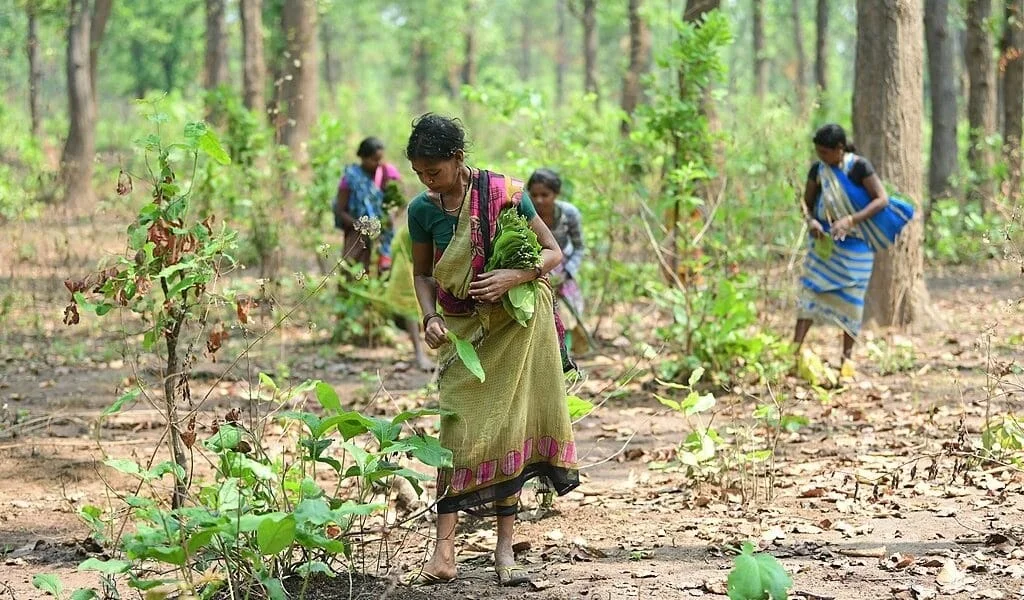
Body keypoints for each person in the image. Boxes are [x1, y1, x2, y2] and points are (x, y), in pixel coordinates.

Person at [403, 114, 579, 587]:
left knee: (511, 429)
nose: (428, 181)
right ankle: (444, 550)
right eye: (419, 173)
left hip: (517, 327)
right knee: (456, 431)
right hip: (462, 330)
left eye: (434, 171)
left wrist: (515, 276)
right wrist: (430, 317)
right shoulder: (422, 210)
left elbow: (551, 253)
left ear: (458, 159)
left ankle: (505, 551)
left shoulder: (505, 195)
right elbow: (423, 274)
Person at [795, 123, 912, 365]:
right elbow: (806, 204)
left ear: (839, 149)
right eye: (818, 153)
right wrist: (811, 222)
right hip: (825, 247)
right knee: (809, 294)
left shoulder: (859, 167)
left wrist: (851, 220)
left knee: (852, 305)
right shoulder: (818, 170)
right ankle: (792, 354)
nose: (822, 158)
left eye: (826, 153)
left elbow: (881, 200)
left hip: (857, 248)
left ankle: (846, 360)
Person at [527, 168, 589, 353]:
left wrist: (566, 273)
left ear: (556, 194)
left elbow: (579, 248)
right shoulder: (524, 212)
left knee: (565, 319)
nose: (539, 200)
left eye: (545, 195)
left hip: (562, 272)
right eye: (535, 195)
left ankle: (565, 360)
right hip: (533, 271)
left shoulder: (569, 214)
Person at [333, 137, 401, 273]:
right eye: (374, 160)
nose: (379, 163)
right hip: (357, 232)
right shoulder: (350, 179)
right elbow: (340, 210)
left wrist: (391, 217)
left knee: (383, 270)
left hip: (383, 232)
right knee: (353, 269)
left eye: (381, 159)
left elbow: (400, 201)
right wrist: (361, 226)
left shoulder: (388, 173)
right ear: (363, 158)